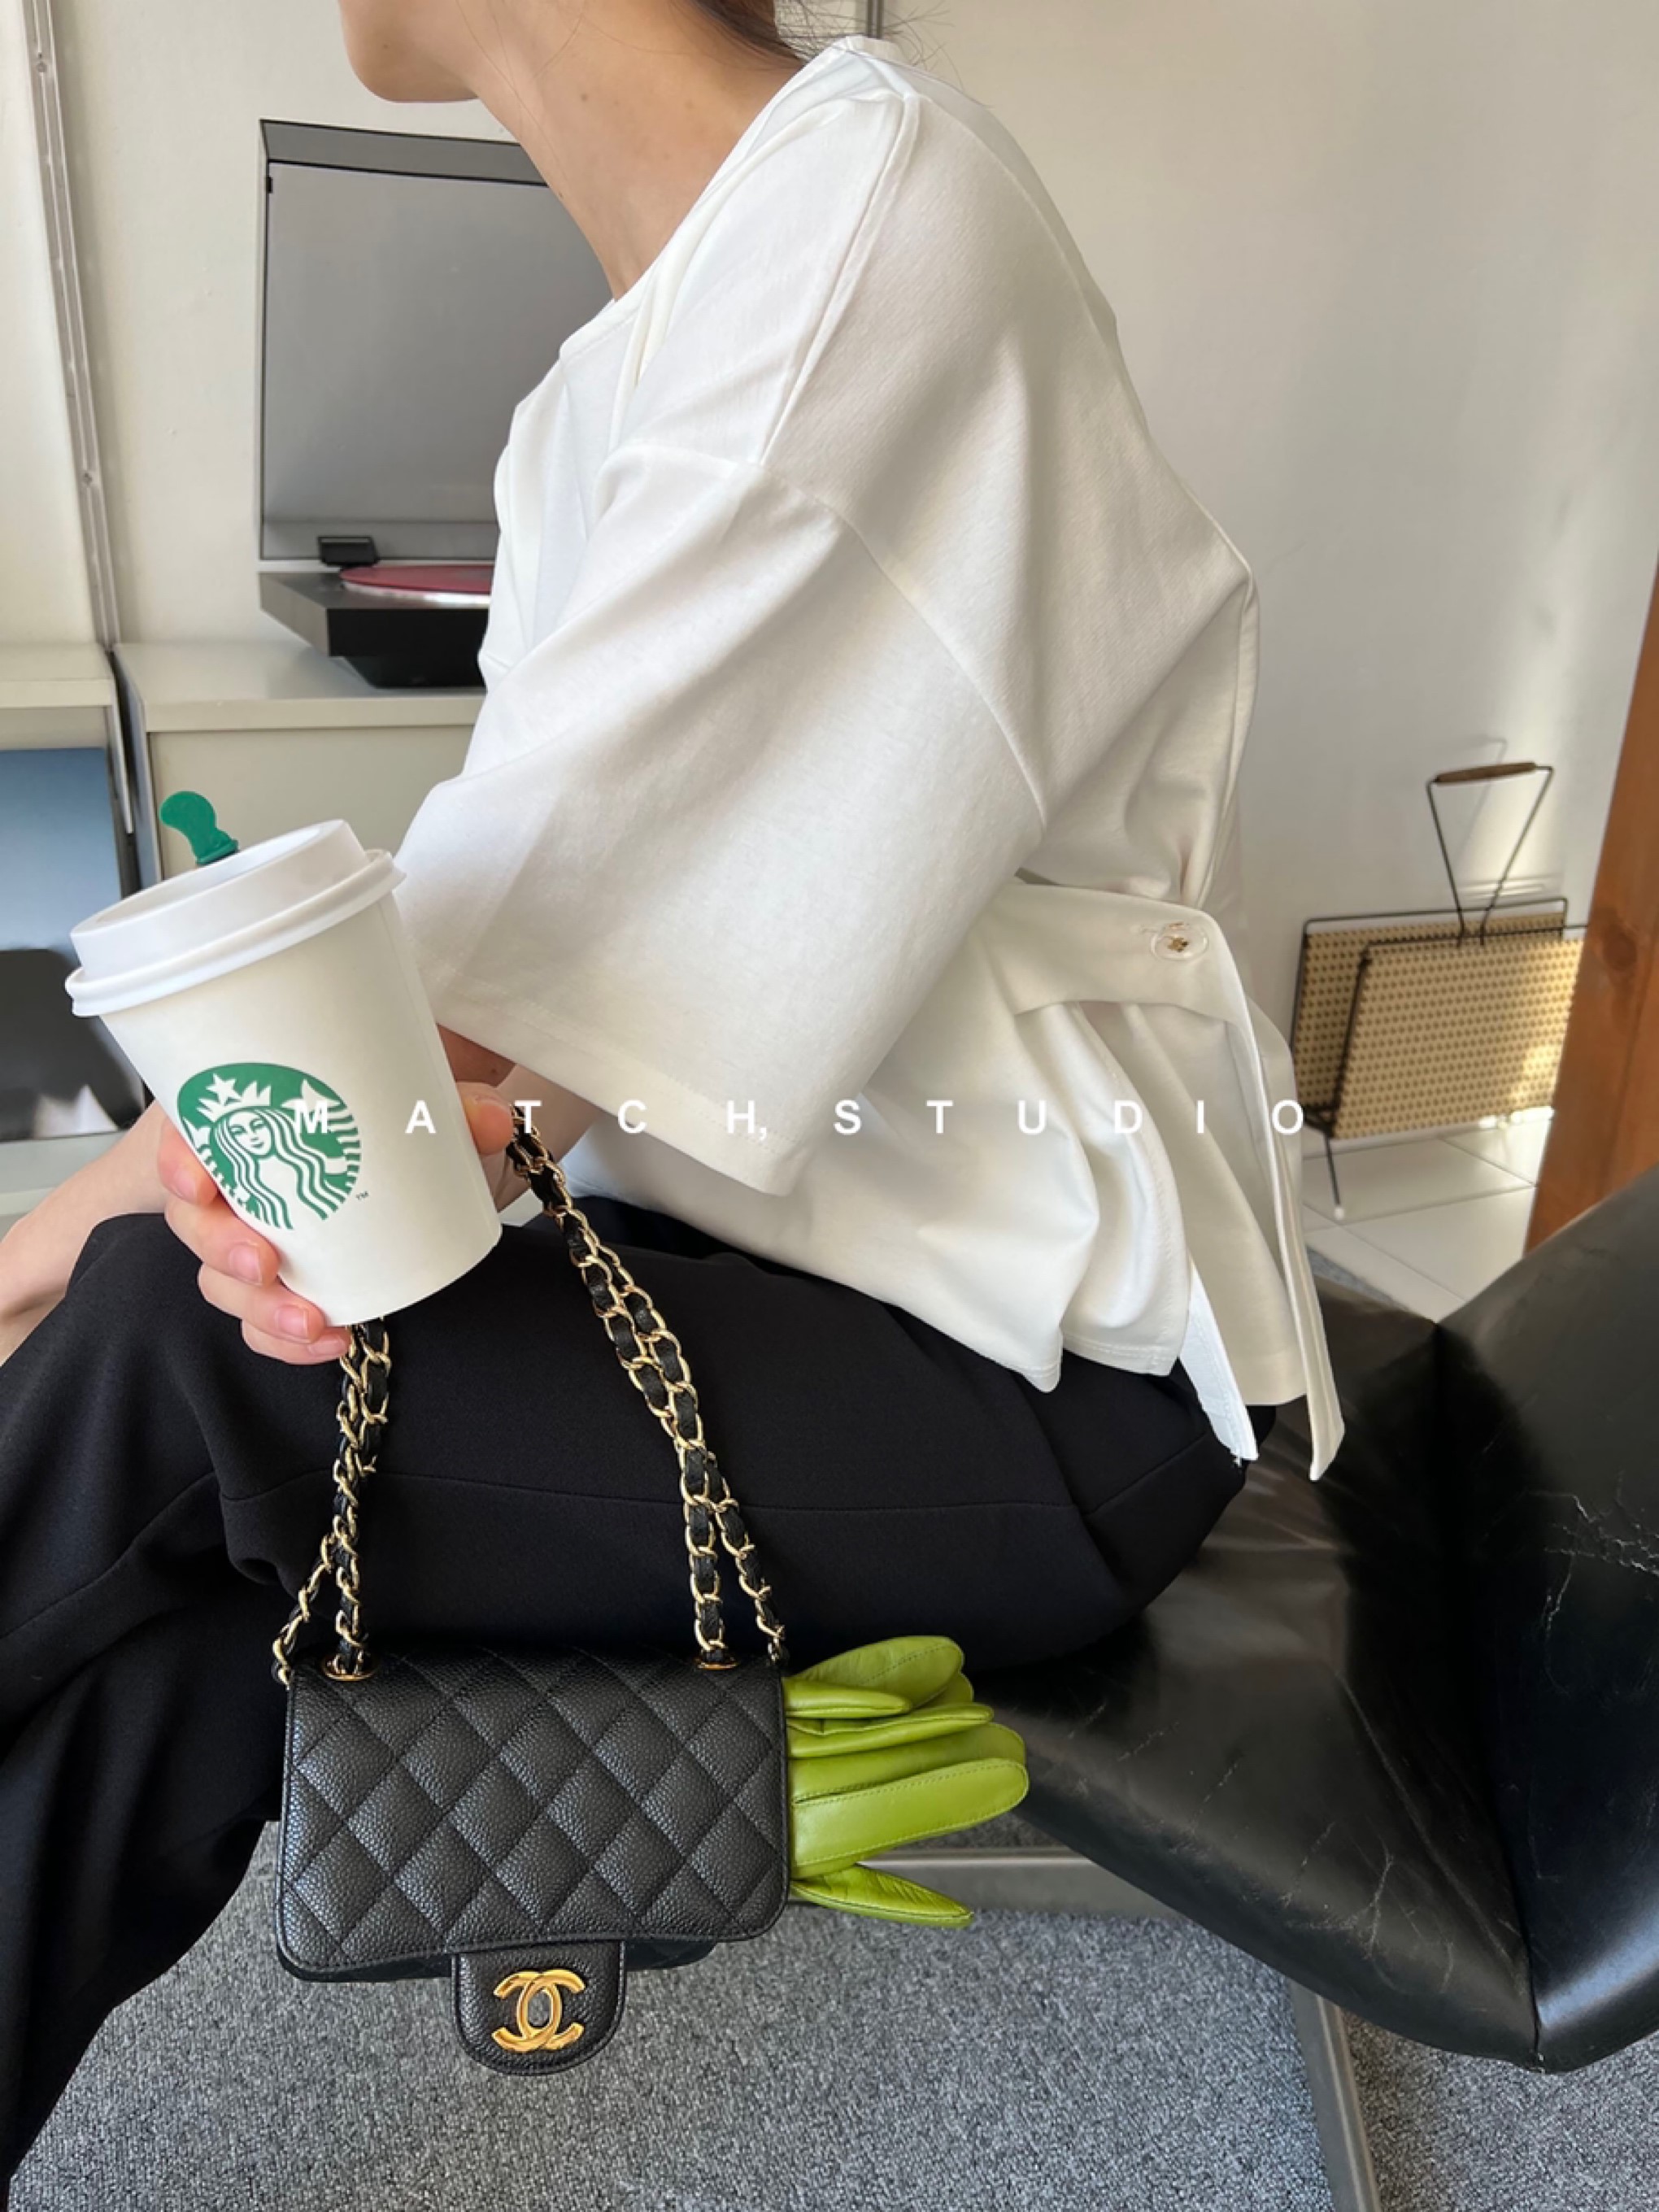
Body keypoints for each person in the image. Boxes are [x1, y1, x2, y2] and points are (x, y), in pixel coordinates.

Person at [0, 0, 1342, 2184]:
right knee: (198, 1615)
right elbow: (493, 1017)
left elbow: (465, 1010)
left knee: (174, 1353)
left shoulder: (877, 229)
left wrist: (66, 1249)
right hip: (789, 1276)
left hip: (1043, 1379)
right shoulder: (610, 377)